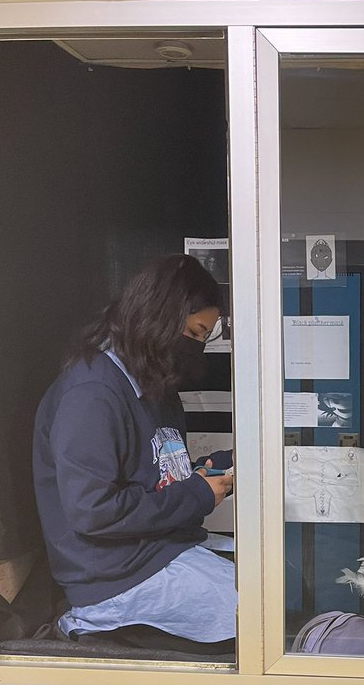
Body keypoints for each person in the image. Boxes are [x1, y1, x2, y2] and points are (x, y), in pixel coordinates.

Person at [32, 254, 236, 652]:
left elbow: (151, 479)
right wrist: (195, 494)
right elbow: (94, 511)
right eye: (194, 333)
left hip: (158, 550)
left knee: (276, 578)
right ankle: (94, 626)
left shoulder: (154, 384)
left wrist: (201, 475)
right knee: (258, 615)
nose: (196, 348)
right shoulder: (91, 394)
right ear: (160, 318)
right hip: (113, 577)